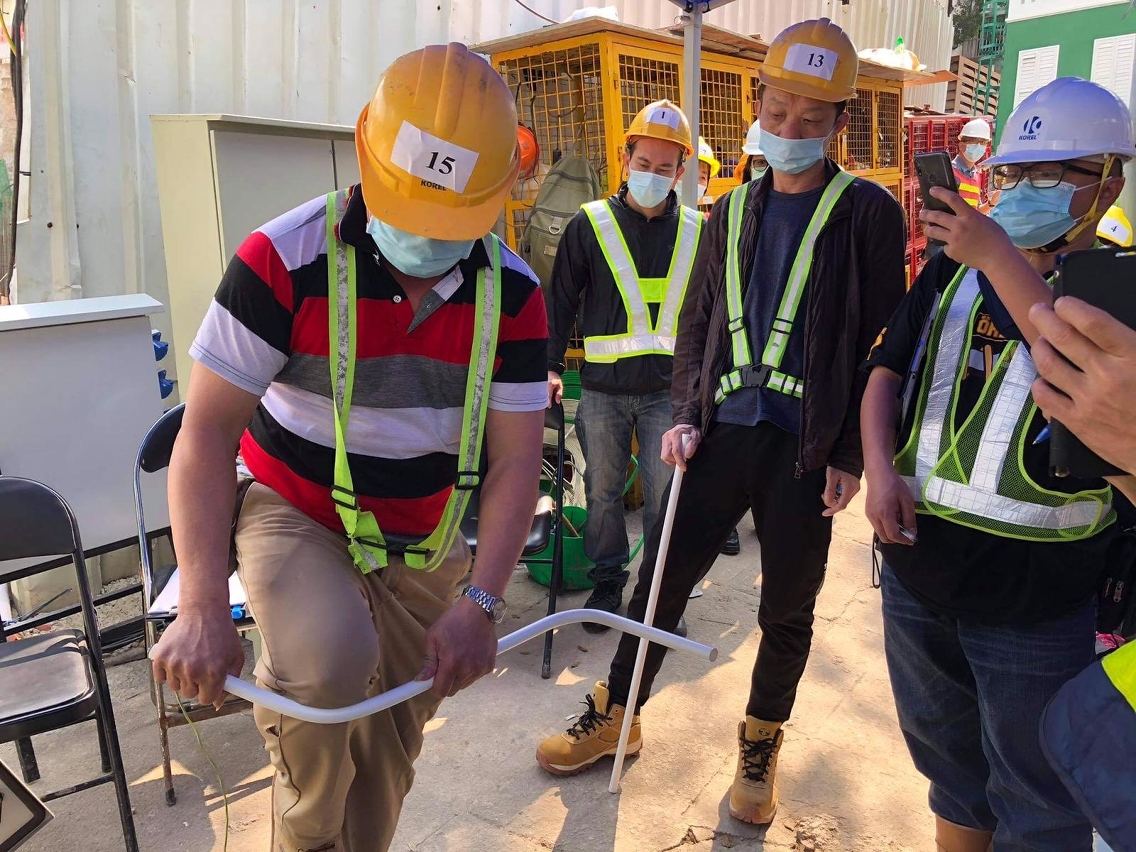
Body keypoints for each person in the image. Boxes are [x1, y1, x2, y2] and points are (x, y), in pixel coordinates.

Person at [149, 43, 549, 852]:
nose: (426, 237)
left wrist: (481, 602)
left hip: (426, 537)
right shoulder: (280, 259)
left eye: (450, 221)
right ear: (368, 158)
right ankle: (304, 839)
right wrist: (201, 604)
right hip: (295, 509)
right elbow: (208, 432)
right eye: (411, 210)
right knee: (326, 669)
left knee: (385, 758)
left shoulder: (514, 294)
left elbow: (515, 459)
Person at [536, 18, 907, 826]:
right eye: (777, 112)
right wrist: (687, 413)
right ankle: (619, 712)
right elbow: (698, 323)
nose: (790, 129)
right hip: (722, 431)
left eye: (812, 118)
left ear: (840, 122)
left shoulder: (868, 214)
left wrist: (851, 453)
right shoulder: (732, 210)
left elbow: (885, 342)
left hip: (806, 446)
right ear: (757, 103)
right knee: (660, 580)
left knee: (788, 606)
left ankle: (760, 742)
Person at [860, 76, 1132, 851]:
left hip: (1037, 600)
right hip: (919, 572)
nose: (1027, 189)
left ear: (1109, 182)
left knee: (1039, 798)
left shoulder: (1118, 291)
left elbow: (1063, 351)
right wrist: (880, 472)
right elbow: (885, 369)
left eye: (1054, 173)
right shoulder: (952, 268)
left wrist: (994, 254)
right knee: (951, 770)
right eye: (1017, 173)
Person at [546, 100, 703, 636]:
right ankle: (608, 580)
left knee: (666, 496)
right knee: (603, 492)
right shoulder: (589, 224)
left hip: (670, 394)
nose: (653, 175)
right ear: (625, 158)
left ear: (680, 171)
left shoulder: (698, 232)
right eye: (644, 163)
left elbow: (712, 311)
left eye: (665, 167)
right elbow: (560, 301)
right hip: (604, 390)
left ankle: (658, 593)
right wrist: (548, 367)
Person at [953, 117, 992, 210]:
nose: (979, 146)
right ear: (961, 146)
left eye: (983, 142)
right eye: (974, 142)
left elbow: (975, 212)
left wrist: (992, 203)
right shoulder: (949, 171)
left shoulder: (976, 175)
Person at [734, 119, 769, 184]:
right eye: (761, 162)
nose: (769, 172)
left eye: (779, 164)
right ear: (749, 167)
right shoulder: (740, 192)